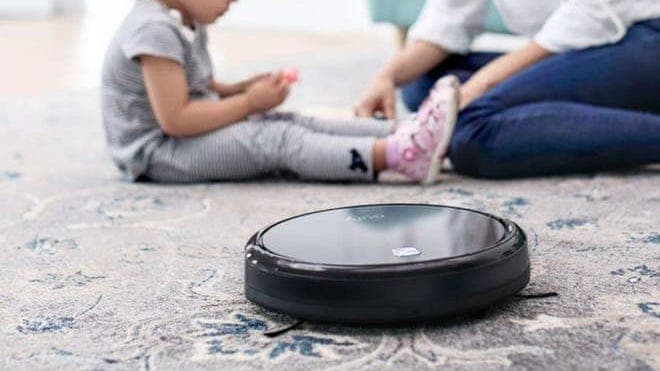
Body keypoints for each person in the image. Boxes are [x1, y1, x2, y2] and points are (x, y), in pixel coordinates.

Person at [101, 0, 461, 185]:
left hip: (175, 138)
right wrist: (247, 103)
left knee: (287, 119)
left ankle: (406, 131)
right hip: (157, 153)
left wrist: (240, 90)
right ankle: (401, 154)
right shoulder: (153, 30)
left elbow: (197, 87)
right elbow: (176, 119)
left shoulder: (186, 20)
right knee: (277, 139)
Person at [356, 0, 660, 178]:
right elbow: (448, 19)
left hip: (646, 39)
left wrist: (481, 85)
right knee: (421, 84)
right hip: (587, 49)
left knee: (470, 133)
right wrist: (386, 77)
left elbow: (592, 14)